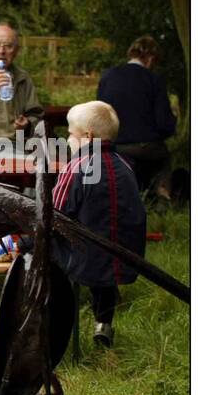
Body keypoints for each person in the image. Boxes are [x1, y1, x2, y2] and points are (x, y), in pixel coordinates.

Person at [51, 101, 147, 348]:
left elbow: (56, 214)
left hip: (83, 260)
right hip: (124, 256)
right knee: (103, 244)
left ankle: (51, 320)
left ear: (88, 136)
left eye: (70, 134)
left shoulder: (76, 167)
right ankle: (103, 322)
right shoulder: (125, 167)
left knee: (48, 247)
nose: (67, 138)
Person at [96, 35, 177, 198]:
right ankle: (163, 197)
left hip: (113, 146)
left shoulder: (108, 76)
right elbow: (164, 124)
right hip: (146, 147)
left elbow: (99, 113)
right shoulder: (154, 79)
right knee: (163, 159)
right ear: (151, 58)